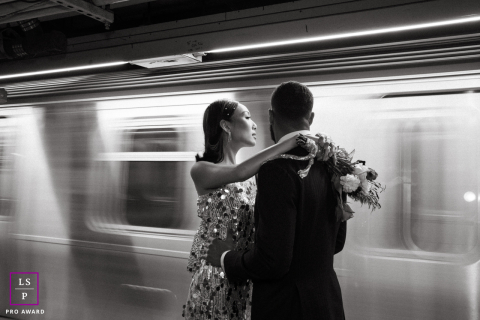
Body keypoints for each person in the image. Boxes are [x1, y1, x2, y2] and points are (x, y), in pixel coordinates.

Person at [206, 81, 349, 320]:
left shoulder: (276, 170)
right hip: (326, 304)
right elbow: (337, 242)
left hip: (288, 308)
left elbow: (273, 262)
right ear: (310, 117)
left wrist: (226, 258)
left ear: (271, 116)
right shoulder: (333, 164)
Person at [183, 98, 306, 320]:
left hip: (243, 274)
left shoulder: (252, 177)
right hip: (216, 278)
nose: (255, 124)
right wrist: (290, 141)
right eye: (247, 117)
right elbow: (239, 171)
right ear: (226, 126)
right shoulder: (201, 169)